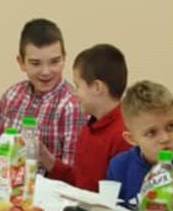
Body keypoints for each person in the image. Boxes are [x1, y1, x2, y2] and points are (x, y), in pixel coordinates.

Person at [0, 18, 81, 169]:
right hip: (7, 178)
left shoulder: (72, 106)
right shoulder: (11, 96)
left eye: (54, 62)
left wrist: (44, 157)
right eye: (35, 63)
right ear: (21, 63)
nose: (46, 72)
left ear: (64, 59)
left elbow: (72, 174)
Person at [43, 43, 130, 191]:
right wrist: (47, 160)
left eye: (78, 86)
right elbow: (80, 182)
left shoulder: (123, 136)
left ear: (97, 87)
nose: (75, 94)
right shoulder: (89, 128)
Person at [107, 80, 173, 204]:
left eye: (171, 126)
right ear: (132, 139)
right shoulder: (119, 168)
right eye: (151, 133)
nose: (165, 138)